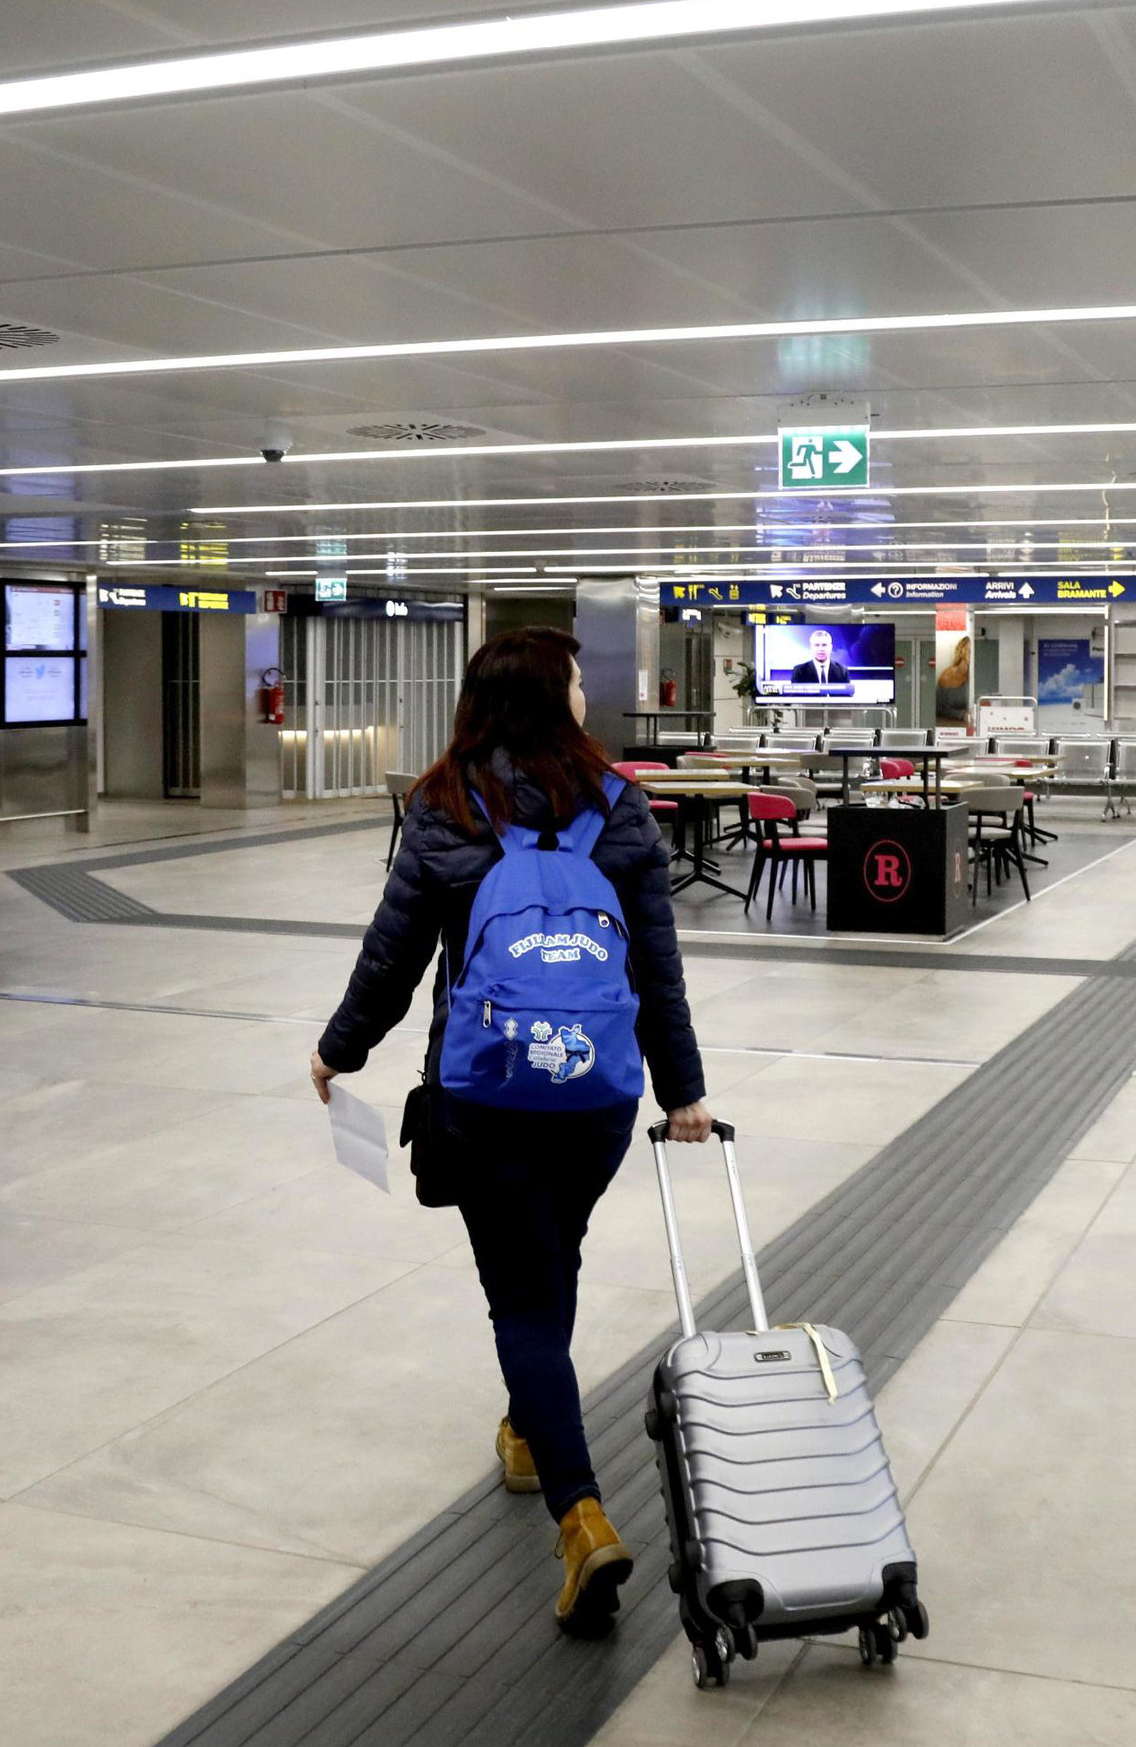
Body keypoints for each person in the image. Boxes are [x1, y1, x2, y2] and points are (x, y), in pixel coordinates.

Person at [311, 627, 710, 1637]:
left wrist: (339, 1051)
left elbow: (392, 956)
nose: (585, 697)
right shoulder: (619, 806)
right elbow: (655, 969)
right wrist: (684, 1092)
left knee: (520, 1298)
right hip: (596, 1099)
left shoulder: (442, 803)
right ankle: (530, 1433)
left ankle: (580, 1516)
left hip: (483, 1091)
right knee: (552, 1256)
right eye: (576, 682)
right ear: (546, 695)